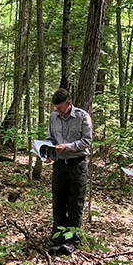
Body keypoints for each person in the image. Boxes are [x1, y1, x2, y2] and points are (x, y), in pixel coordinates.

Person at [44, 88, 92, 256]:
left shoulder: (82, 117)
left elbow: (87, 141)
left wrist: (67, 147)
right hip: (59, 165)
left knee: (75, 204)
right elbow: (50, 138)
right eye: (55, 108)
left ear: (68, 104)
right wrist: (48, 153)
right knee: (58, 202)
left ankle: (72, 240)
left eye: (60, 108)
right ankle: (58, 237)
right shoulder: (53, 117)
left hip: (77, 165)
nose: (57, 111)